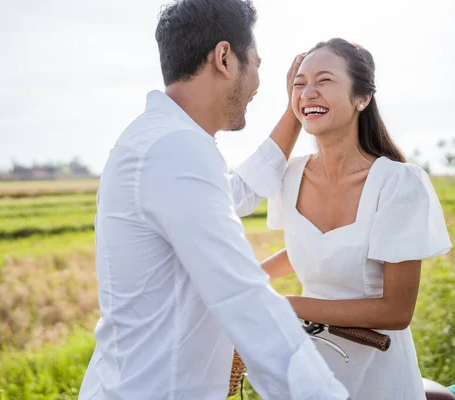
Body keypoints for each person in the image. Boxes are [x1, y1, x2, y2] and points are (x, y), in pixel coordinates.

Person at [78, 1, 349, 399]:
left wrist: (294, 113)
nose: (258, 81)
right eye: (255, 62)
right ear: (224, 58)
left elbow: (236, 191)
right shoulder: (174, 150)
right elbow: (243, 297)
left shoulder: (158, 139)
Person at [256, 38, 453, 399]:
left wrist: (289, 306)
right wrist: (241, 283)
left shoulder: (398, 183)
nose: (308, 93)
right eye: (299, 83)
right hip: (310, 362)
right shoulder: (288, 176)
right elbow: (308, 249)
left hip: (377, 366)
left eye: (325, 81)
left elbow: (396, 310)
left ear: (362, 98)